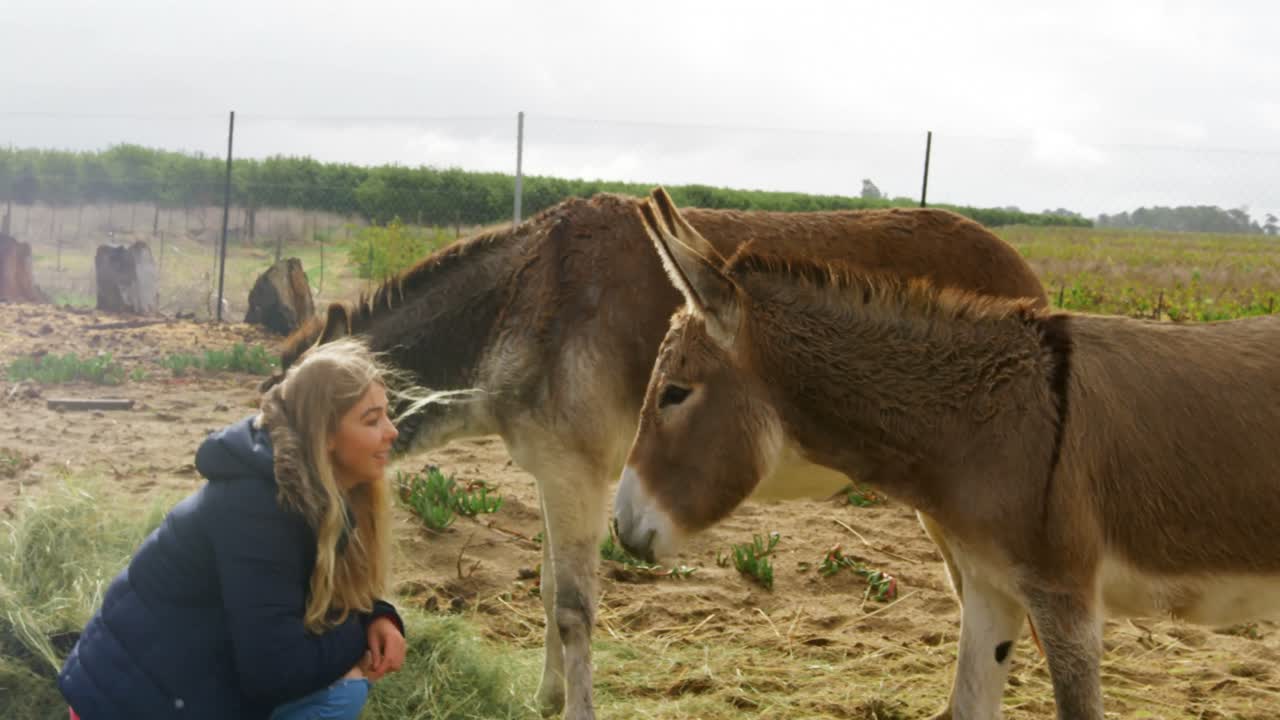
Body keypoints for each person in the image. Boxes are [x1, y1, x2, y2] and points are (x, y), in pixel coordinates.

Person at [58, 337, 418, 720]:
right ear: (324, 435)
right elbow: (277, 672)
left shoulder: (310, 491)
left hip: (181, 679)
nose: (391, 431)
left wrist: (378, 614)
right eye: (371, 419)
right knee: (341, 691)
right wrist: (360, 630)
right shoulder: (260, 508)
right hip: (127, 703)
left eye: (387, 414)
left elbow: (307, 594)